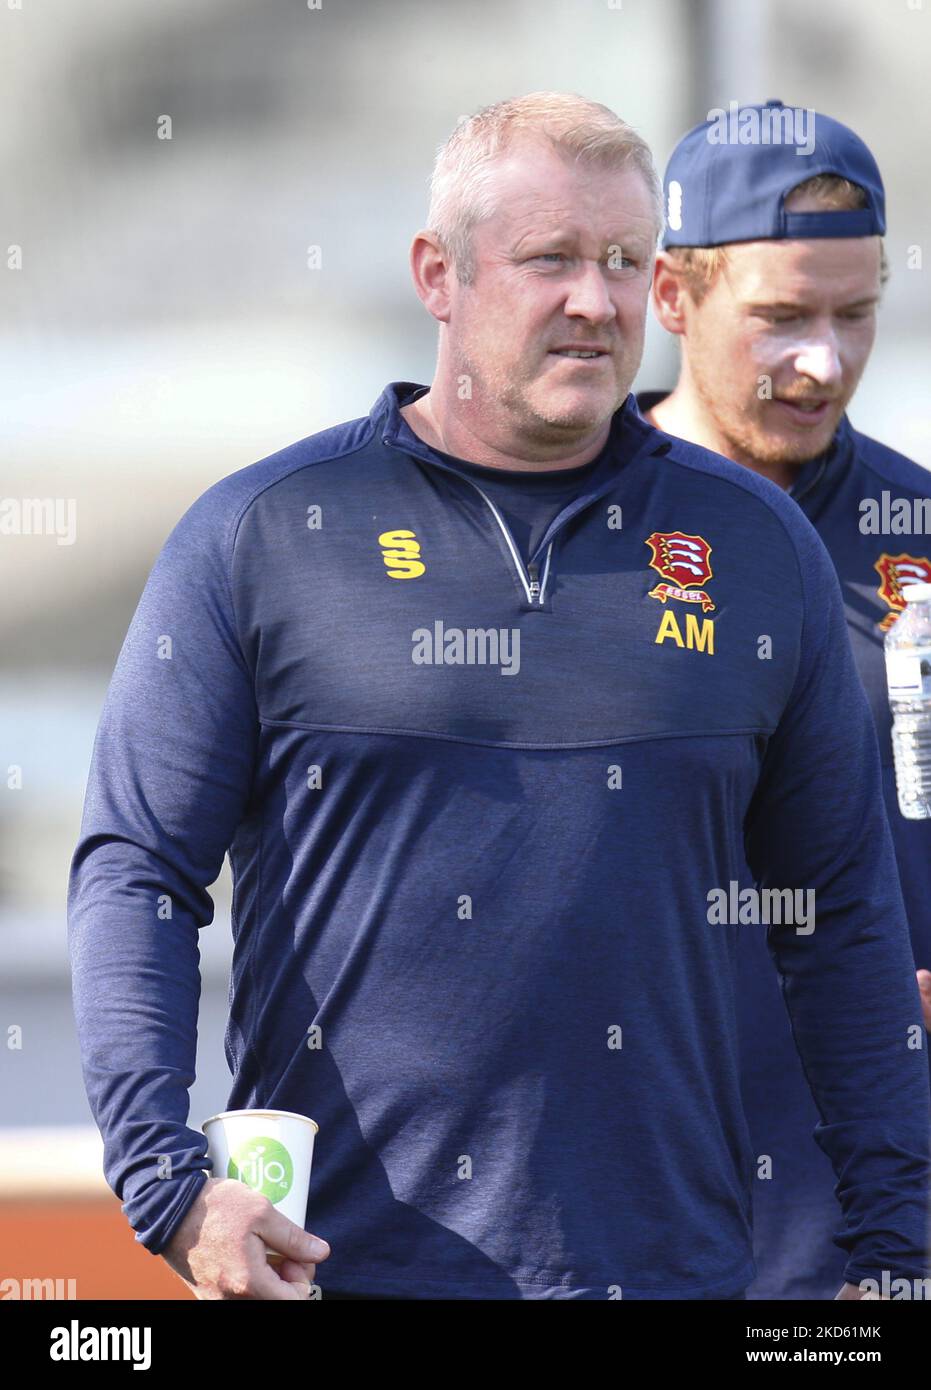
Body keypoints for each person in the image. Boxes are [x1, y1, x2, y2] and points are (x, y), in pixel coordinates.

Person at [68, 92, 930, 1302]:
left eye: (623, 260)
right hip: (336, 1277)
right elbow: (136, 871)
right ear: (439, 272)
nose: (594, 298)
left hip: (675, 1279)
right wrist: (165, 1184)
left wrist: (899, 1256)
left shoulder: (757, 545)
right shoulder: (266, 533)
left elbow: (841, 916)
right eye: (551, 260)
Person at [639, 99, 931, 1299]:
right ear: (671, 297)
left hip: (877, 1235)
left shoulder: (916, 537)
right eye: (779, 319)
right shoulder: (572, 537)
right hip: (628, 1220)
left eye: (854, 315)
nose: (823, 360)